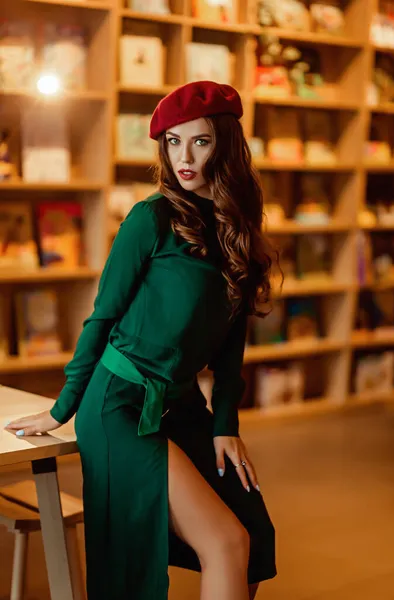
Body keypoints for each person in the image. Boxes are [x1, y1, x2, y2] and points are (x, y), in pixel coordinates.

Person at [5, 80, 277, 600]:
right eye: (173, 142)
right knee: (225, 542)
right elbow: (100, 319)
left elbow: (230, 345)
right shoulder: (150, 219)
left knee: (253, 542)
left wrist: (224, 425)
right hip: (120, 404)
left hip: (181, 404)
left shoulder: (237, 227)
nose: (184, 157)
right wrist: (64, 408)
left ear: (227, 144)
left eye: (198, 141)